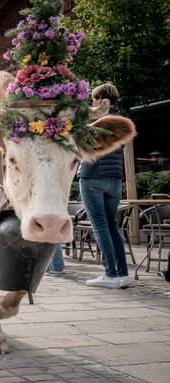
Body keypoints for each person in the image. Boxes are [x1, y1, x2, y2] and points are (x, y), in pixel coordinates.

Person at [80, 83, 129, 289]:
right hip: (115, 179)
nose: (92, 103)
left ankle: (110, 275)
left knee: (100, 226)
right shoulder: (123, 121)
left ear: (101, 100)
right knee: (112, 227)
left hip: (93, 177)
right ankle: (123, 274)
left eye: (93, 99)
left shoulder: (95, 119)